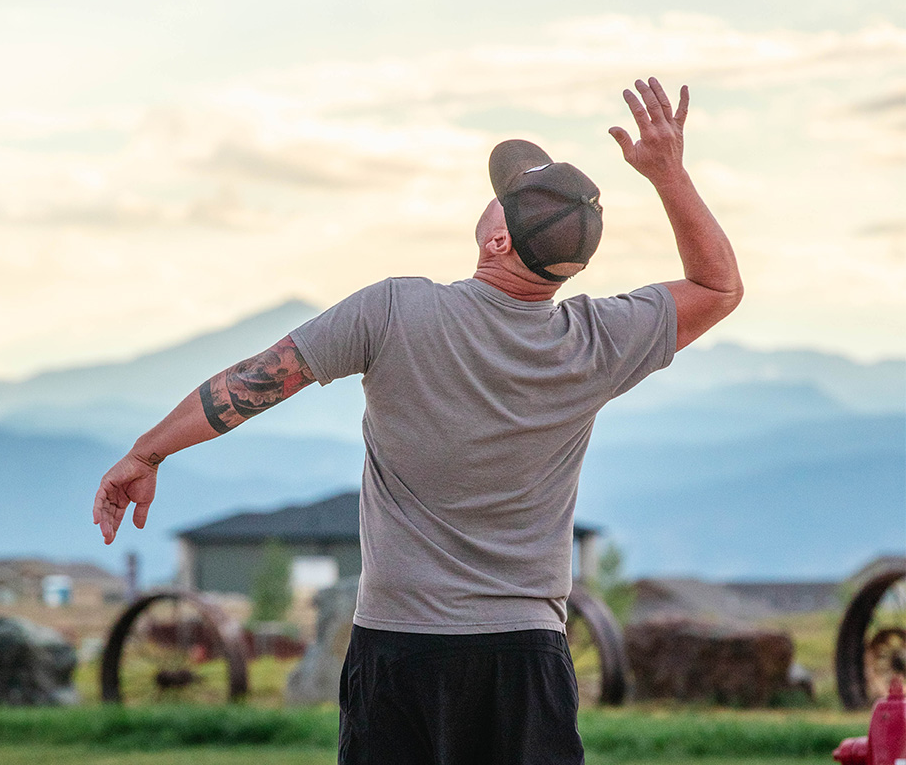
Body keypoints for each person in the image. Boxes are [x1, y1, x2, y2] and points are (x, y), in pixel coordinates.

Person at [93, 77, 742, 765]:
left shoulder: (395, 311)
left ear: (497, 241)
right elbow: (718, 286)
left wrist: (148, 452)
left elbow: (256, 381)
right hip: (526, 656)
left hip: (401, 650)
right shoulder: (598, 340)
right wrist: (668, 175)